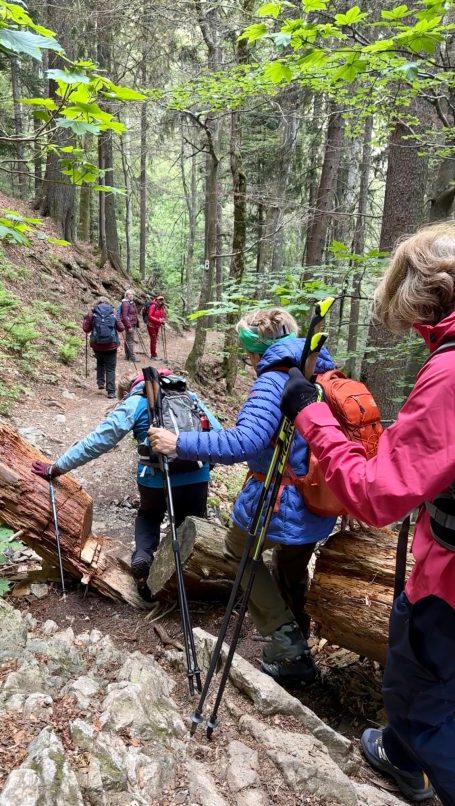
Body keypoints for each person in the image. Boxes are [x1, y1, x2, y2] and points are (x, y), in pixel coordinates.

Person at [280, 223, 455, 805]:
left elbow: (377, 496)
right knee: (417, 677)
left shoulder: (450, 372)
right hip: (435, 562)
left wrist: (311, 415)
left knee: (427, 696)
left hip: (448, 583)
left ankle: (423, 764)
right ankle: (403, 754)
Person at [149, 307, 337, 685]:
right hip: (321, 501)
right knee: (290, 566)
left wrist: (178, 442)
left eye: (249, 352)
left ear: (258, 349)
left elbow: (245, 442)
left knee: (238, 552)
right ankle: (296, 642)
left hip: (279, 500)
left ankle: (288, 648)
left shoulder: (273, 381)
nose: (250, 360)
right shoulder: (321, 370)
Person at [31, 370, 221, 601]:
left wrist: (58, 467)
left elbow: (98, 440)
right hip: (197, 474)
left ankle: (143, 555)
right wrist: (208, 467)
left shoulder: (136, 402)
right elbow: (217, 434)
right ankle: (184, 578)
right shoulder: (189, 396)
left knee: (149, 515)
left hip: (155, 478)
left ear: (130, 388)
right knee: (187, 525)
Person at [83, 297, 124, 399]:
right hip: (111, 344)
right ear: (108, 302)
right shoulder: (113, 311)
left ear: (97, 302)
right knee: (110, 368)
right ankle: (111, 392)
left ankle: (100, 382)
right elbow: (121, 328)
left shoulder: (92, 312)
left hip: (97, 344)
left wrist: (88, 318)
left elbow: (86, 329)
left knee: (100, 362)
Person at [120, 289, 139, 362]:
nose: (131, 295)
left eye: (132, 294)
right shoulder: (125, 303)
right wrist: (129, 326)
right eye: (129, 294)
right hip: (129, 324)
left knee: (128, 340)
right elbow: (124, 316)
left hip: (132, 323)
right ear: (126, 295)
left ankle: (127, 356)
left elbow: (133, 313)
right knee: (130, 341)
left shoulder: (131, 303)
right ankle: (132, 357)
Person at [146, 294, 166, 359]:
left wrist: (162, 320)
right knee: (153, 339)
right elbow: (149, 316)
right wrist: (159, 321)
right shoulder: (153, 306)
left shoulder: (161, 307)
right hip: (151, 325)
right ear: (156, 299)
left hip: (157, 325)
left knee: (154, 340)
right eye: (160, 299)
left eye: (162, 299)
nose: (161, 300)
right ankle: (153, 355)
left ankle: (154, 354)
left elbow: (163, 315)